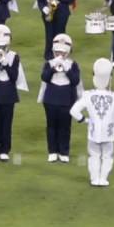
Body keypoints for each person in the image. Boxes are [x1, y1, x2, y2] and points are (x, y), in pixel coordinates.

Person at [70, 58, 114, 186]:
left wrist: (84, 120)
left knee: (94, 156)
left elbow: (74, 111)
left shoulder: (88, 95)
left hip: (93, 132)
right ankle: (103, 178)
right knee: (107, 156)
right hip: (109, 133)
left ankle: (94, 178)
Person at [0, 24, 27, 162]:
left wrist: (6, 62)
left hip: (9, 95)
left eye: (3, 47)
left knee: (6, 123)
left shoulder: (14, 57)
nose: (1, 49)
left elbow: (14, 76)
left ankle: (5, 150)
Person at [39, 33, 80, 164]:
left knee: (65, 127)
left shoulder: (73, 64)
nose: (60, 55)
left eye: (62, 53)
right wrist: (53, 68)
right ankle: (52, 152)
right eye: (57, 52)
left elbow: (75, 81)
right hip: (51, 99)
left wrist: (67, 70)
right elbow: (44, 77)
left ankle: (64, 152)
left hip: (66, 100)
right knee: (51, 126)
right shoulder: (49, 63)